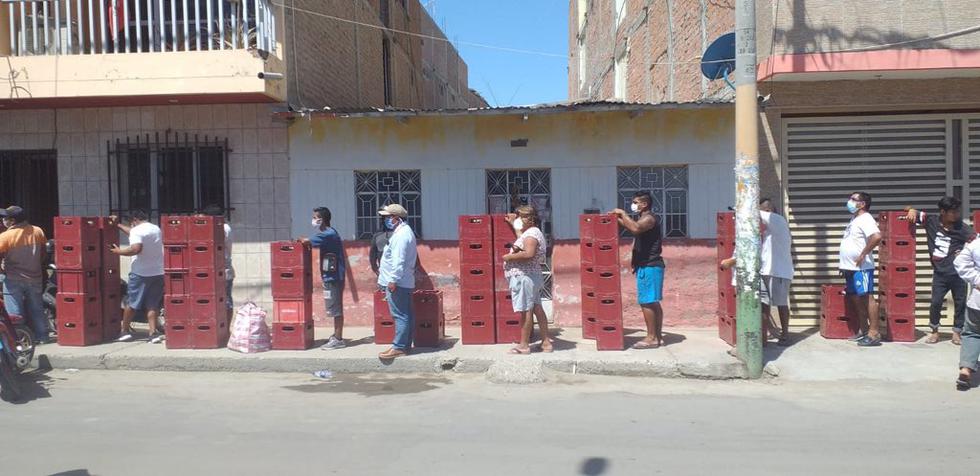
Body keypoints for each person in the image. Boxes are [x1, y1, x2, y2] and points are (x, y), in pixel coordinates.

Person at [718, 198, 795, 346]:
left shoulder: (777, 220)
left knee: (780, 303)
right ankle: (763, 337)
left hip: (778, 271)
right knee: (764, 304)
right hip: (766, 270)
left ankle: (785, 334)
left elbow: (752, 213)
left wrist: (741, 208)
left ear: (767, 211)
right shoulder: (768, 231)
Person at [905, 197, 973, 345]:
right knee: (935, 302)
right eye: (953, 212)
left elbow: (976, 242)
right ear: (943, 212)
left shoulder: (962, 228)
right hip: (940, 273)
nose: (956, 215)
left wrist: (965, 251)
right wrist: (910, 209)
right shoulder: (931, 221)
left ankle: (957, 333)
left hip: (958, 274)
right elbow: (910, 209)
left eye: (958, 212)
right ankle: (934, 331)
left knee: (960, 303)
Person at [612, 191, 665, 349]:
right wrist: (617, 219)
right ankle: (657, 336)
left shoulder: (649, 218)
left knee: (647, 303)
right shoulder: (644, 219)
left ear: (644, 204)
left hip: (649, 265)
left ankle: (651, 338)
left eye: (635, 202)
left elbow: (635, 228)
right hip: (647, 266)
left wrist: (622, 213)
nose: (633, 205)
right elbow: (631, 225)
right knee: (653, 302)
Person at [502, 206, 553, 354]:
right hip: (531, 276)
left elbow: (529, 253)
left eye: (520, 218)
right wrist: (514, 225)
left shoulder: (531, 234)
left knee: (526, 310)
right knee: (537, 309)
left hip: (525, 277)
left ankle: (523, 345)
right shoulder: (532, 233)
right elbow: (522, 244)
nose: (518, 221)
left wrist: (508, 257)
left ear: (529, 219)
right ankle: (546, 343)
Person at [111, 210, 165, 343]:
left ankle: (124, 331)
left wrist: (119, 251)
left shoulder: (137, 231)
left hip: (140, 273)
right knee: (152, 304)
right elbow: (135, 234)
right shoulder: (155, 228)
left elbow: (136, 248)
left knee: (132, 303)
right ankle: (152, 333)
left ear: (134, 220)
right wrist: (118, 225)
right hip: (157, 272)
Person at [0, 206, 50, 343]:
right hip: (35, 277)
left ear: (12, 220)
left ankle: (19, 339)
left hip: (13, 278)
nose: (3, 220)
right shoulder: (37, 231)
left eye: (5, 218)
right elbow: (43, 254)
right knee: (37, 309)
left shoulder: (5, 236)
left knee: (15, 314)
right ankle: (42, 337)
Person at [839, 192, 882, 347]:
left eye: (853, 199)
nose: (849, 202)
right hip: (850, 268)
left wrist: (863, 254)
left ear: (862, 204)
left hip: (861, 268)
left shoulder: (866, 218)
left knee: (866, 297)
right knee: (855, 298)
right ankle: (863, 330)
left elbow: (877, 237)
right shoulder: (854, 220)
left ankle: (874, 332)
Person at [376, 204, 418, 360]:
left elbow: (398, 261)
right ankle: (404, 346)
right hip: (402, 281)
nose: (385, 220)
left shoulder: (401, 236)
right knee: (405, 314)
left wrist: (392, 280)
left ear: (396, 218)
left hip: (398, 282)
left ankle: (399, 346)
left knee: (400, 315)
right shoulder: (402, 232)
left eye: (388, 217)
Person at [307, 207, 347, 350]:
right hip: (331, 275)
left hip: (333, 276)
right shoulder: (327, 233)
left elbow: (306, 242)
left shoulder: (328, 234)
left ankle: (338, 339)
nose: (313, 220)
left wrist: (300, 240)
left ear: (321, 219)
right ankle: (336, 336)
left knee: (335, 308)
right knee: (333, 306)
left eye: (315, 217)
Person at [953, 236, 980, 390]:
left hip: (977, 302)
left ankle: (966, 369)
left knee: (973, 334)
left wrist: (976, 280)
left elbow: (959, 262)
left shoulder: (976, 244)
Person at [202, 205, 235, 324]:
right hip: (222, 268)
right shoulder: (226, 227)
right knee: (224, 299)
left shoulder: (222, 228)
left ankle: (224, 328)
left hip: (222, 268)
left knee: (225, 300)